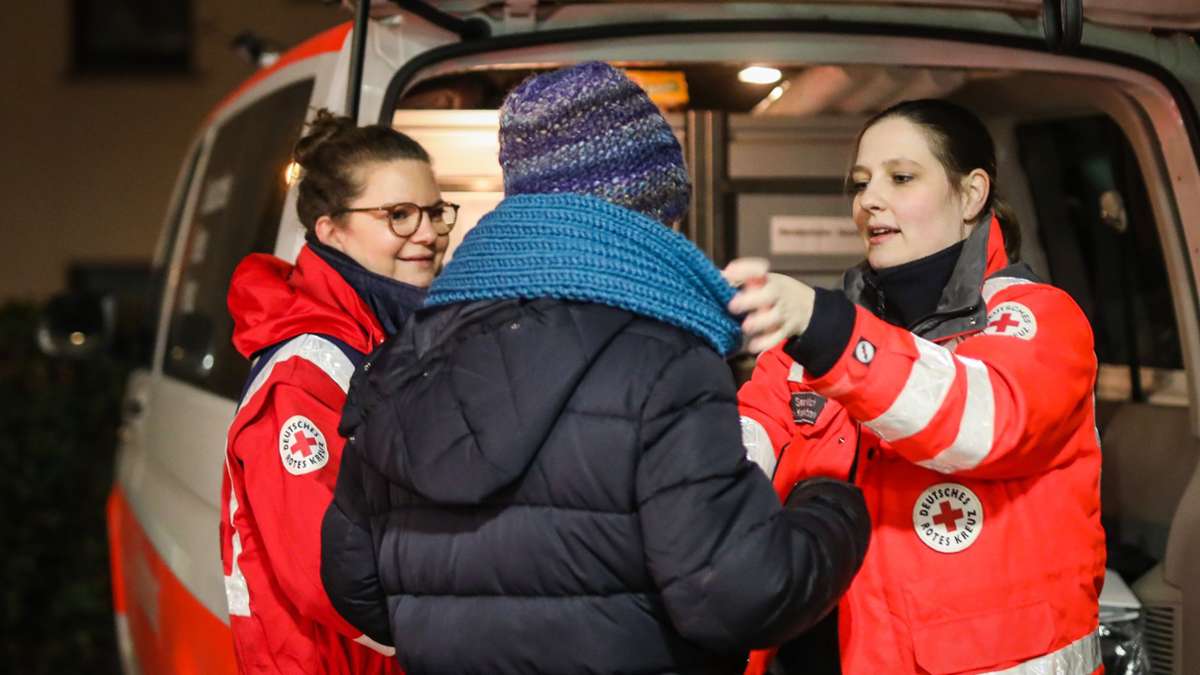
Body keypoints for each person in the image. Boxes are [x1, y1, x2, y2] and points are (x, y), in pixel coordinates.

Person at [320, 62, 871, 675]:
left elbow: (357, 585)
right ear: (645, 219)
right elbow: (736, 596)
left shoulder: (407, 353)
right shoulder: (666, 360)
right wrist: (832, 507)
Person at [727, 99, 1105, 675]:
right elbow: (742, 449)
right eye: (860, 183)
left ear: (972, 194)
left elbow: (981, 421)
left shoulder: (1038, 320)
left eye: (900, 178)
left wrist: (826, 327)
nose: (869, 200)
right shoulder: (809, 346)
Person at [219, 110, 457, 674]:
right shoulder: (306, 373)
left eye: (434, 212)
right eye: (397, 215)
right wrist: (465, 631)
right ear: (330, 229)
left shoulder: (396, 335)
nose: (426, 232)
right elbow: (321, 573)